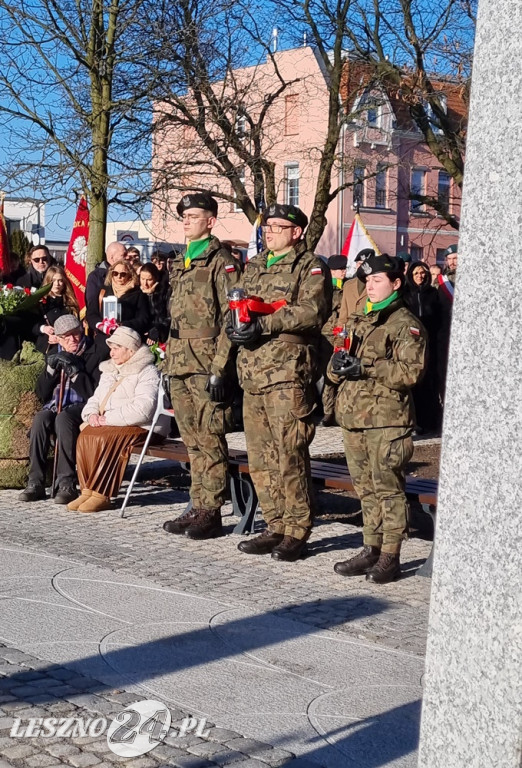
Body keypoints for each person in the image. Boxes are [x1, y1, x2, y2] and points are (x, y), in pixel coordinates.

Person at [224, 203, 332, 562]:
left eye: (277, 226)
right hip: (253, 373)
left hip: (287, 374)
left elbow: (311, 312)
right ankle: (275, 524)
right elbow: (236, 304)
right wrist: (233, 327)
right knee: (261, 457)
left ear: (296, 232)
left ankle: (297, 530)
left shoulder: (310, 266)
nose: (268, 231)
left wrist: (264, 325)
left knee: (290, 456)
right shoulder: (254, 265)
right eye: (267, 226)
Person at [328, 253, 427, 584]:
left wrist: (366, 367)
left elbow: (410, 373)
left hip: (386, 420)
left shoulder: (405, 324)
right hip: (354, 416)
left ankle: (390, 555)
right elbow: (337, 356)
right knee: (365, 489)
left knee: (388, 488)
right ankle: (371, 547)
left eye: (377, 281)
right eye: (367, 281)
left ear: (396, 284)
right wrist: (338, 367)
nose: (369, 286)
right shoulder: (359, 318)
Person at [162, 192, 241, 540]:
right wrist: (167, 363)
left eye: (194, 215)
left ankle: (211, 510)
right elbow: (174, 319)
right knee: (191, 439)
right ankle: (196, 504)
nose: (187, 220)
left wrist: (220, 367)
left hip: (206, 358)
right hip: (180, 359)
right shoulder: (182, 262)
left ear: (210, 221)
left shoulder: (220, 261)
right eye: (184, 216)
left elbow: (232, 319)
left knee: (209, 437)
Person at [69, 327, 169, 513]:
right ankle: (87, 489)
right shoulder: (110, 370)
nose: (111, 352)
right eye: (111, 347)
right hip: (112, 422)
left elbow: (143, 410)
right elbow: (96, 398)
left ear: (130, 350)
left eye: (116, 347)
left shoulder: (147, 372)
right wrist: (91, 415)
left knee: (106, 439)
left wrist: (106, 419)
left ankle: (102, 494)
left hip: (145, 426)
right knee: (87, 434)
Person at [18, 315, 102, 505]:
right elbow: (40, 393)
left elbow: (94, 393)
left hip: (82, 406)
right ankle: (36, 482)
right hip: (56, 404)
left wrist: (76, 374)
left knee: (63, 419)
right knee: (40, 419)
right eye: (67, 336)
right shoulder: (54, 353)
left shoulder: (93, 353)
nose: (73, 339)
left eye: (76, 334)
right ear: (59, 338)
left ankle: (66, 483)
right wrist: (50, 370)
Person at [403, 261, 442, 433]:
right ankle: (413, 421)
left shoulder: (433, 294)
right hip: (411, 344)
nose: (420, 276)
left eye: (423, 273)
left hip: (430, 343)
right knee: (414, 383)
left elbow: (439, 318)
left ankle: (429, 421)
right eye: (417, 273)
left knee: (429, 383)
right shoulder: (405, 294)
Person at [86, 259, 151, 358]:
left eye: (123, 274)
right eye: (115, 273)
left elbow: (144, 319)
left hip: (126, 344)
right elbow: (91, 314)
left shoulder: (138, 294)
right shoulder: (103, 291)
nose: (119, 277)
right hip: (103, 344)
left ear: (130, 274)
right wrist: (101, 325)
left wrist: (123, 326)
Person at [320, 254, 347, 427]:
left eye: (344, 269)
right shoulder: (325, 288)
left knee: (342, 373)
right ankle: (328, 412)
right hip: (327, 335)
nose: (343, 272)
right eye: (339, 270)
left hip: (343, 334)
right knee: (329, 375)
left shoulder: (349, 287)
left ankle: (340, 410)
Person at [33, 266, 80, 354]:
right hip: (47, 345)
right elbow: (33, 324)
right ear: (48, 281)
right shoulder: (41, 301)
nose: (57, 284)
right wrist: (44, 329)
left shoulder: (70, 301)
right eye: (53, 280)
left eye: (60, 280)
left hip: (68, 344)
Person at [85, 241, 127, 324]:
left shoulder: (130, 275)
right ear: (112, 257)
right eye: (124, 255)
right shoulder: (96, 277)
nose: (127, 257)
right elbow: (92, 306)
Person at [436, 244, 458, 404]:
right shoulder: (441, 282)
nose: (452, 262)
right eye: (449, 259)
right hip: (445, 334)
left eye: (455, 258)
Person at [338, 248, 373, 324]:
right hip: (349, 331)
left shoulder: (376, 286)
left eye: (365, 264)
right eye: (360, 264)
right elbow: (343, 313)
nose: (362, 267)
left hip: (367, 330)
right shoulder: (348, 285)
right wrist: (340, 331)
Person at [139, 262, 170, 344]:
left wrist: (158, 329)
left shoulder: (165, 292)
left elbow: (170, 316)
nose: (145, 283)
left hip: (160, 336)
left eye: (149, 280)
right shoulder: (137, 293)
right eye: (142, 279)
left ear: (156, 278)